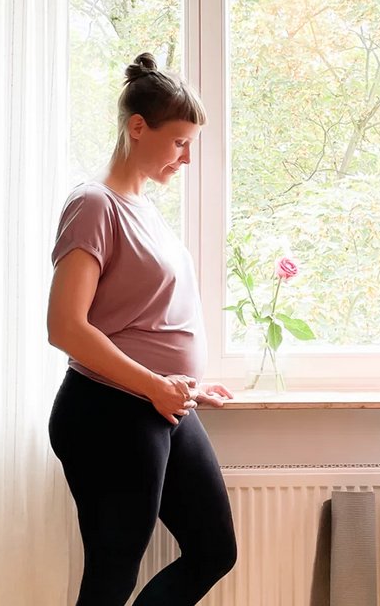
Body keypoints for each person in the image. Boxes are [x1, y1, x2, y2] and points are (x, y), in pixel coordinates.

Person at [46, 52, 236, 606]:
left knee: (213, 550)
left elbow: (142, 315)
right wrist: (155, 383)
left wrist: (182, 383)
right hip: (108, 408)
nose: (187, 158)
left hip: (162, 404)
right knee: (113, 568)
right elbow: (65, 327)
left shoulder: (143, 207)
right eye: (179, 142)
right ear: (137, 127)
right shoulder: (92, 205)